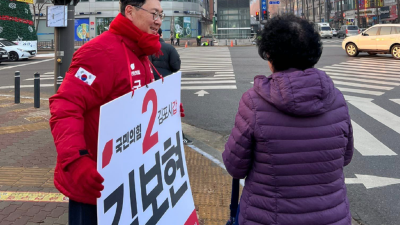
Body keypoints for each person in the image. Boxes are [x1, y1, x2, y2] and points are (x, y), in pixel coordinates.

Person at [223, 14, 353, 225]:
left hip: (266, 216)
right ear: (313, 53)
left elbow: (234, 166)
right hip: (332, 216)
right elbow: (345, 157)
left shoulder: (254, 102)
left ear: (270, 55)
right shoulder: (336, 98)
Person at [48, 0, 165, 224]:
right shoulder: (101, 51)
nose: (158, 21)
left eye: (161, 14)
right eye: (154, 13)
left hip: (127, 180)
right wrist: (77, 160)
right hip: (95, 183)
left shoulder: (140, 50)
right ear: (130, 11)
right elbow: (65, 105)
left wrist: (164, 108)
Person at [149, 28, 192, 144]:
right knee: (170, 111)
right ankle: (179, 136)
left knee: (153, 113)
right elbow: (176, 66)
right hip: (166, 83)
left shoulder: (145, 48)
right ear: (161, 34)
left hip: (150, 85)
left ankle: (156, 137)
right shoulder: (169, 48)